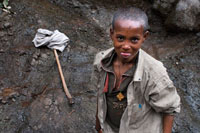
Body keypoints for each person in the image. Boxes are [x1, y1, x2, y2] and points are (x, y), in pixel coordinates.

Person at [92, 7, 181, 133]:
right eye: (121, 38)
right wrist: (99, 125)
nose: (126, 46)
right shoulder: (101, 61)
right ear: (112, 34)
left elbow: (170, 109)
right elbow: (100, 96)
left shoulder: (154, 73)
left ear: (144, 37)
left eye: (134, 39)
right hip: (110, 128)